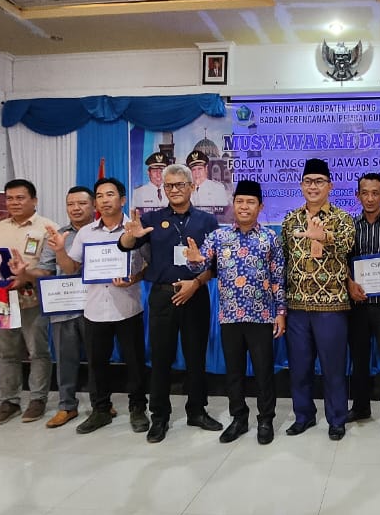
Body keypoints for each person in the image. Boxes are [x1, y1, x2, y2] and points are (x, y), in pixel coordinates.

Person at [118, 163, 223, 441]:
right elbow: (126, 246)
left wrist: (196, 283)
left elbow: (215, 265)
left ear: (192, 187)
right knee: (161, 358)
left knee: (195, 357)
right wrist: (131, 234)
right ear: (163, 190)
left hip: (195, 293)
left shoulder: (207, 221)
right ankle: (159, 417)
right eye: (169, 186)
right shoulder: (150, 219)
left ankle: (197, 411)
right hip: (163, 295)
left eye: (180, 185)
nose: (175, 190)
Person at [185, 180, 286, 444]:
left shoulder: (270, 238)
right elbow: (199, 264)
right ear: (233, 204)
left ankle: (265, 420)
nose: (244, 206)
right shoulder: (219, 237)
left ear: (260, 207)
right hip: (230, 316)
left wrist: (281, 312)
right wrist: (194, 260)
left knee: (264, 372)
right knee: (234, 373)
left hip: (261, 316)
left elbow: (278, 279)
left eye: (250, 202)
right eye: (240, 201)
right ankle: (239, 418)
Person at [47, 177, 148, 436]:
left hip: (128, 307)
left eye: (110, 194)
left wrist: (133, 278)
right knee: (97, 364)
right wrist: (60, 251)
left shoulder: (135, 227)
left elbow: (150, 265)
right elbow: (72, 268)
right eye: (100, 195)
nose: (104, 200)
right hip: (94, 309)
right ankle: (100, 410)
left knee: (135, 363)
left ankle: (138, 408)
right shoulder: (86, 232)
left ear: (122, 199)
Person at [0, 179, 54, 427]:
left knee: (38, 351)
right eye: (10, 198)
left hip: (33, 299)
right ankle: (9, 401)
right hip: (0, 300)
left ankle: (38, 399)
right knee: (6, 353)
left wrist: (25, 277)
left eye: (20, 198)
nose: (14, 203)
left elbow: (51, 269)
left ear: (34, 200)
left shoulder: (47, 228)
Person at [281, 158, 355, 439]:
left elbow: (347, 245)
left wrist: (322, 236)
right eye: (308, 182)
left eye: (319, 182)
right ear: (301, 186)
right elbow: (285, 259)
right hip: (297, 305)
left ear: (330, 186)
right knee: (299, 368)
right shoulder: (290, 220)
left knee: (333, 368)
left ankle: (336, 419)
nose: (313, 187)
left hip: (332, 306)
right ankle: (304, 415)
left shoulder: (343, 218)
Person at [346, 172, 380, 430]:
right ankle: (360, 407)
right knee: (358, 358)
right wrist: (349, 283)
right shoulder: (349, 226)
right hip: (357, 304)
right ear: (357, 195)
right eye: (364, 193)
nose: (369, 198)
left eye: (375, 193)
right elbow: (342, 262)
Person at [36, 186, 94, 428]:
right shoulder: (56, 236)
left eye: (81, 203)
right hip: (64, 305)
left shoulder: (101, 233)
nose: (76, 208)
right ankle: (66, 406)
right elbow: (45, 270)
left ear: (93, 206)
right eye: (71, 204)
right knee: (65, 359)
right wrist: (24, 273)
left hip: (96, 307)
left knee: (97, 358)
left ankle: (101, 403)